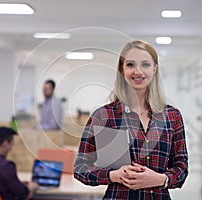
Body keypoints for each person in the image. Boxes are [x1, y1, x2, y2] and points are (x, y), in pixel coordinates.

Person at [74, 40, 188, 199]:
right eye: (130, 65)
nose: (138, 71)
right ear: (122, 69)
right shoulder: (103, 116)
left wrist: (160, 179)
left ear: (155, 68)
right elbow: (80, 169)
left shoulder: (172, 116)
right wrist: (113, 175)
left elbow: (181, 168)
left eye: (145, 65)